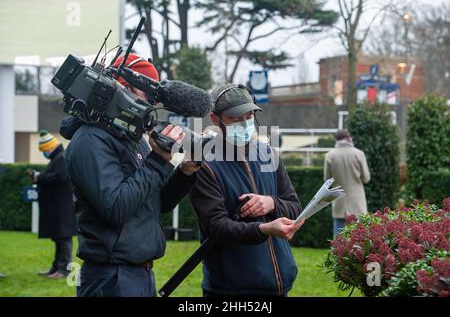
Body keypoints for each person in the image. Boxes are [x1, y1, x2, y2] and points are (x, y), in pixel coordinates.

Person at [61, 53, 199, 297]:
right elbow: (116, 207)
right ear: (123, 88)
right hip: (111, 278)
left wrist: (185, 173)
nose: (150, 105)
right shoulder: (89, 140)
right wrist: (158, 160)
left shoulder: (132, 139)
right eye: (149, 96)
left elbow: (158, 201)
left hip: (140, 274)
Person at [189, 83, 305, 297]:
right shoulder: (203, 165)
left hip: (281, 287)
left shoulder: (269, 155)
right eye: (235, 119)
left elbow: (295, 206)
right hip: (231, 291)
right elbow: (217, 228)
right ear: (216, 120)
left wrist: (272, 203)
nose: (244, 123)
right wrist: (264, 229)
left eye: (249, 116)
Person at [31, 130, 77, 279]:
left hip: (62, 208)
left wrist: (39, 177)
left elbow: (59, 177)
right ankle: (56, 268)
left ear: (50, 147)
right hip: (58, 207)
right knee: (59, 239)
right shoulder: (58, 158)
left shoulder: (61, 158)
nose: (45, 153)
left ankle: (64, 270)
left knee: (63, 239)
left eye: (45, 150)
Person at [324, 129, 370, 237]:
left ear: (336, 139)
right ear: (349, 138)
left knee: (338, 241)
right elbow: (366, 178)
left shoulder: (330, 156)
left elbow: (327, 180)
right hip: (357, 203)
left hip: (339, 201)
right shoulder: (359, 154)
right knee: (359, 238)